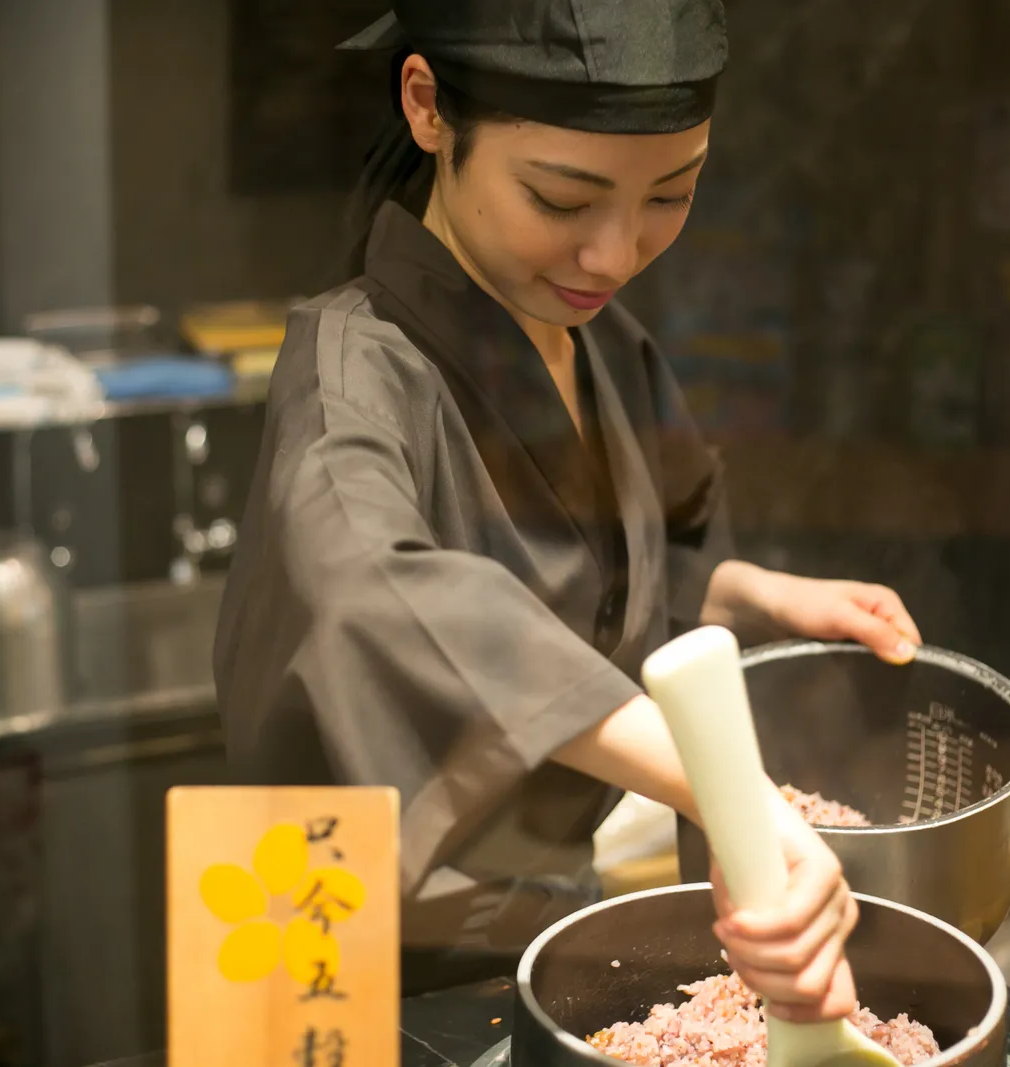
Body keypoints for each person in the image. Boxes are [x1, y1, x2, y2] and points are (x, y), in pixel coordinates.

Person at [213, 0, 923, 1012]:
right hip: (324, 942)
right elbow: (371, 591)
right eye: (559, 197)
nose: (613, 253)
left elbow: (623, 569)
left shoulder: (594, 343)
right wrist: (722, 791)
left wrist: (758, 591)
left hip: (526, 927)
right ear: (425, 105)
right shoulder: (347, 376)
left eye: (670, 195)